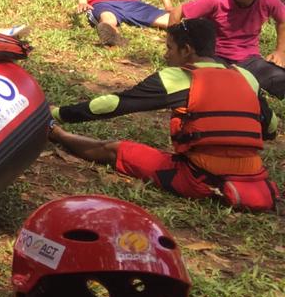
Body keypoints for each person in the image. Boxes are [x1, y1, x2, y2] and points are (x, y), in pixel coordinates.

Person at [49, 18, 279, 210]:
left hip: (198, 179)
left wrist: (59, 113)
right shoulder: (246, 77)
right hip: (254, 177)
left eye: (169, 47)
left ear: (187, 50)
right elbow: (270, 129)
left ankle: (55, 132)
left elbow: (114, 104)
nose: (166, 55)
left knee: (114, 150)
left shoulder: (177, 78)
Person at [172, 0, 285, 99]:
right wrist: (174, 48)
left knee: (280, 80)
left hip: (249, 60)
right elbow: (177, 12)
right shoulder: (217, 0)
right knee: (207, 87)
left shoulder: (269, 1)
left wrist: (280, 51)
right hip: (214, 57)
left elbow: (282, 20)